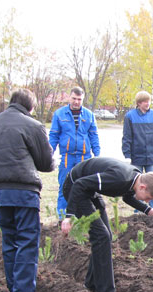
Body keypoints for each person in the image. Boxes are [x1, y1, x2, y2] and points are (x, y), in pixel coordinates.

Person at [61, 157, 153, 292]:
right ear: (143, 187)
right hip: (76, 188)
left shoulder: (134, 179)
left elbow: (127, 197)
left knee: (106, 236)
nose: (146, 201)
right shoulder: (120, 178)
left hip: (90, 190)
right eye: (148, 198)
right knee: (101, 236)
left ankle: (91, 284)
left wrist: (150, 211)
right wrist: (69, 216)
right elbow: (80, 184)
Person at [0, 88, 55, 292]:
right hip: (24, 191)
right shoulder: (33, 126)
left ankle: (13, 286)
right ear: (30, 107)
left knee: (9, 239)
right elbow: (46, 163)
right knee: (27, 240)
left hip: (0, 190)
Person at [49, 86, 100, 218]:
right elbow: (53, 136)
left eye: (79, 99)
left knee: (86, 188)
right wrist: (49, 152)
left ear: (82, 99)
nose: (76, 102)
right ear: (69, 97)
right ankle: (62, 217)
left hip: (84, 158)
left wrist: (98, 154)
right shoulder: (59, 114)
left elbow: (94, 135)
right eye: (74, 98)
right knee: (64, 187)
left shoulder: (89, 115)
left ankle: (83, 217)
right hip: (67, 158)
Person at [122, 91, 153, 210]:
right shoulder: (130, 116)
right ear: (139, 103)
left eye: (148, 101)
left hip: (151, 157)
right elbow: (127, 137)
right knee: (138, 186)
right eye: (144, 101)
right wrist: (127, 155)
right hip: (136, 157)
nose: (147, 103)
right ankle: (138, 212)